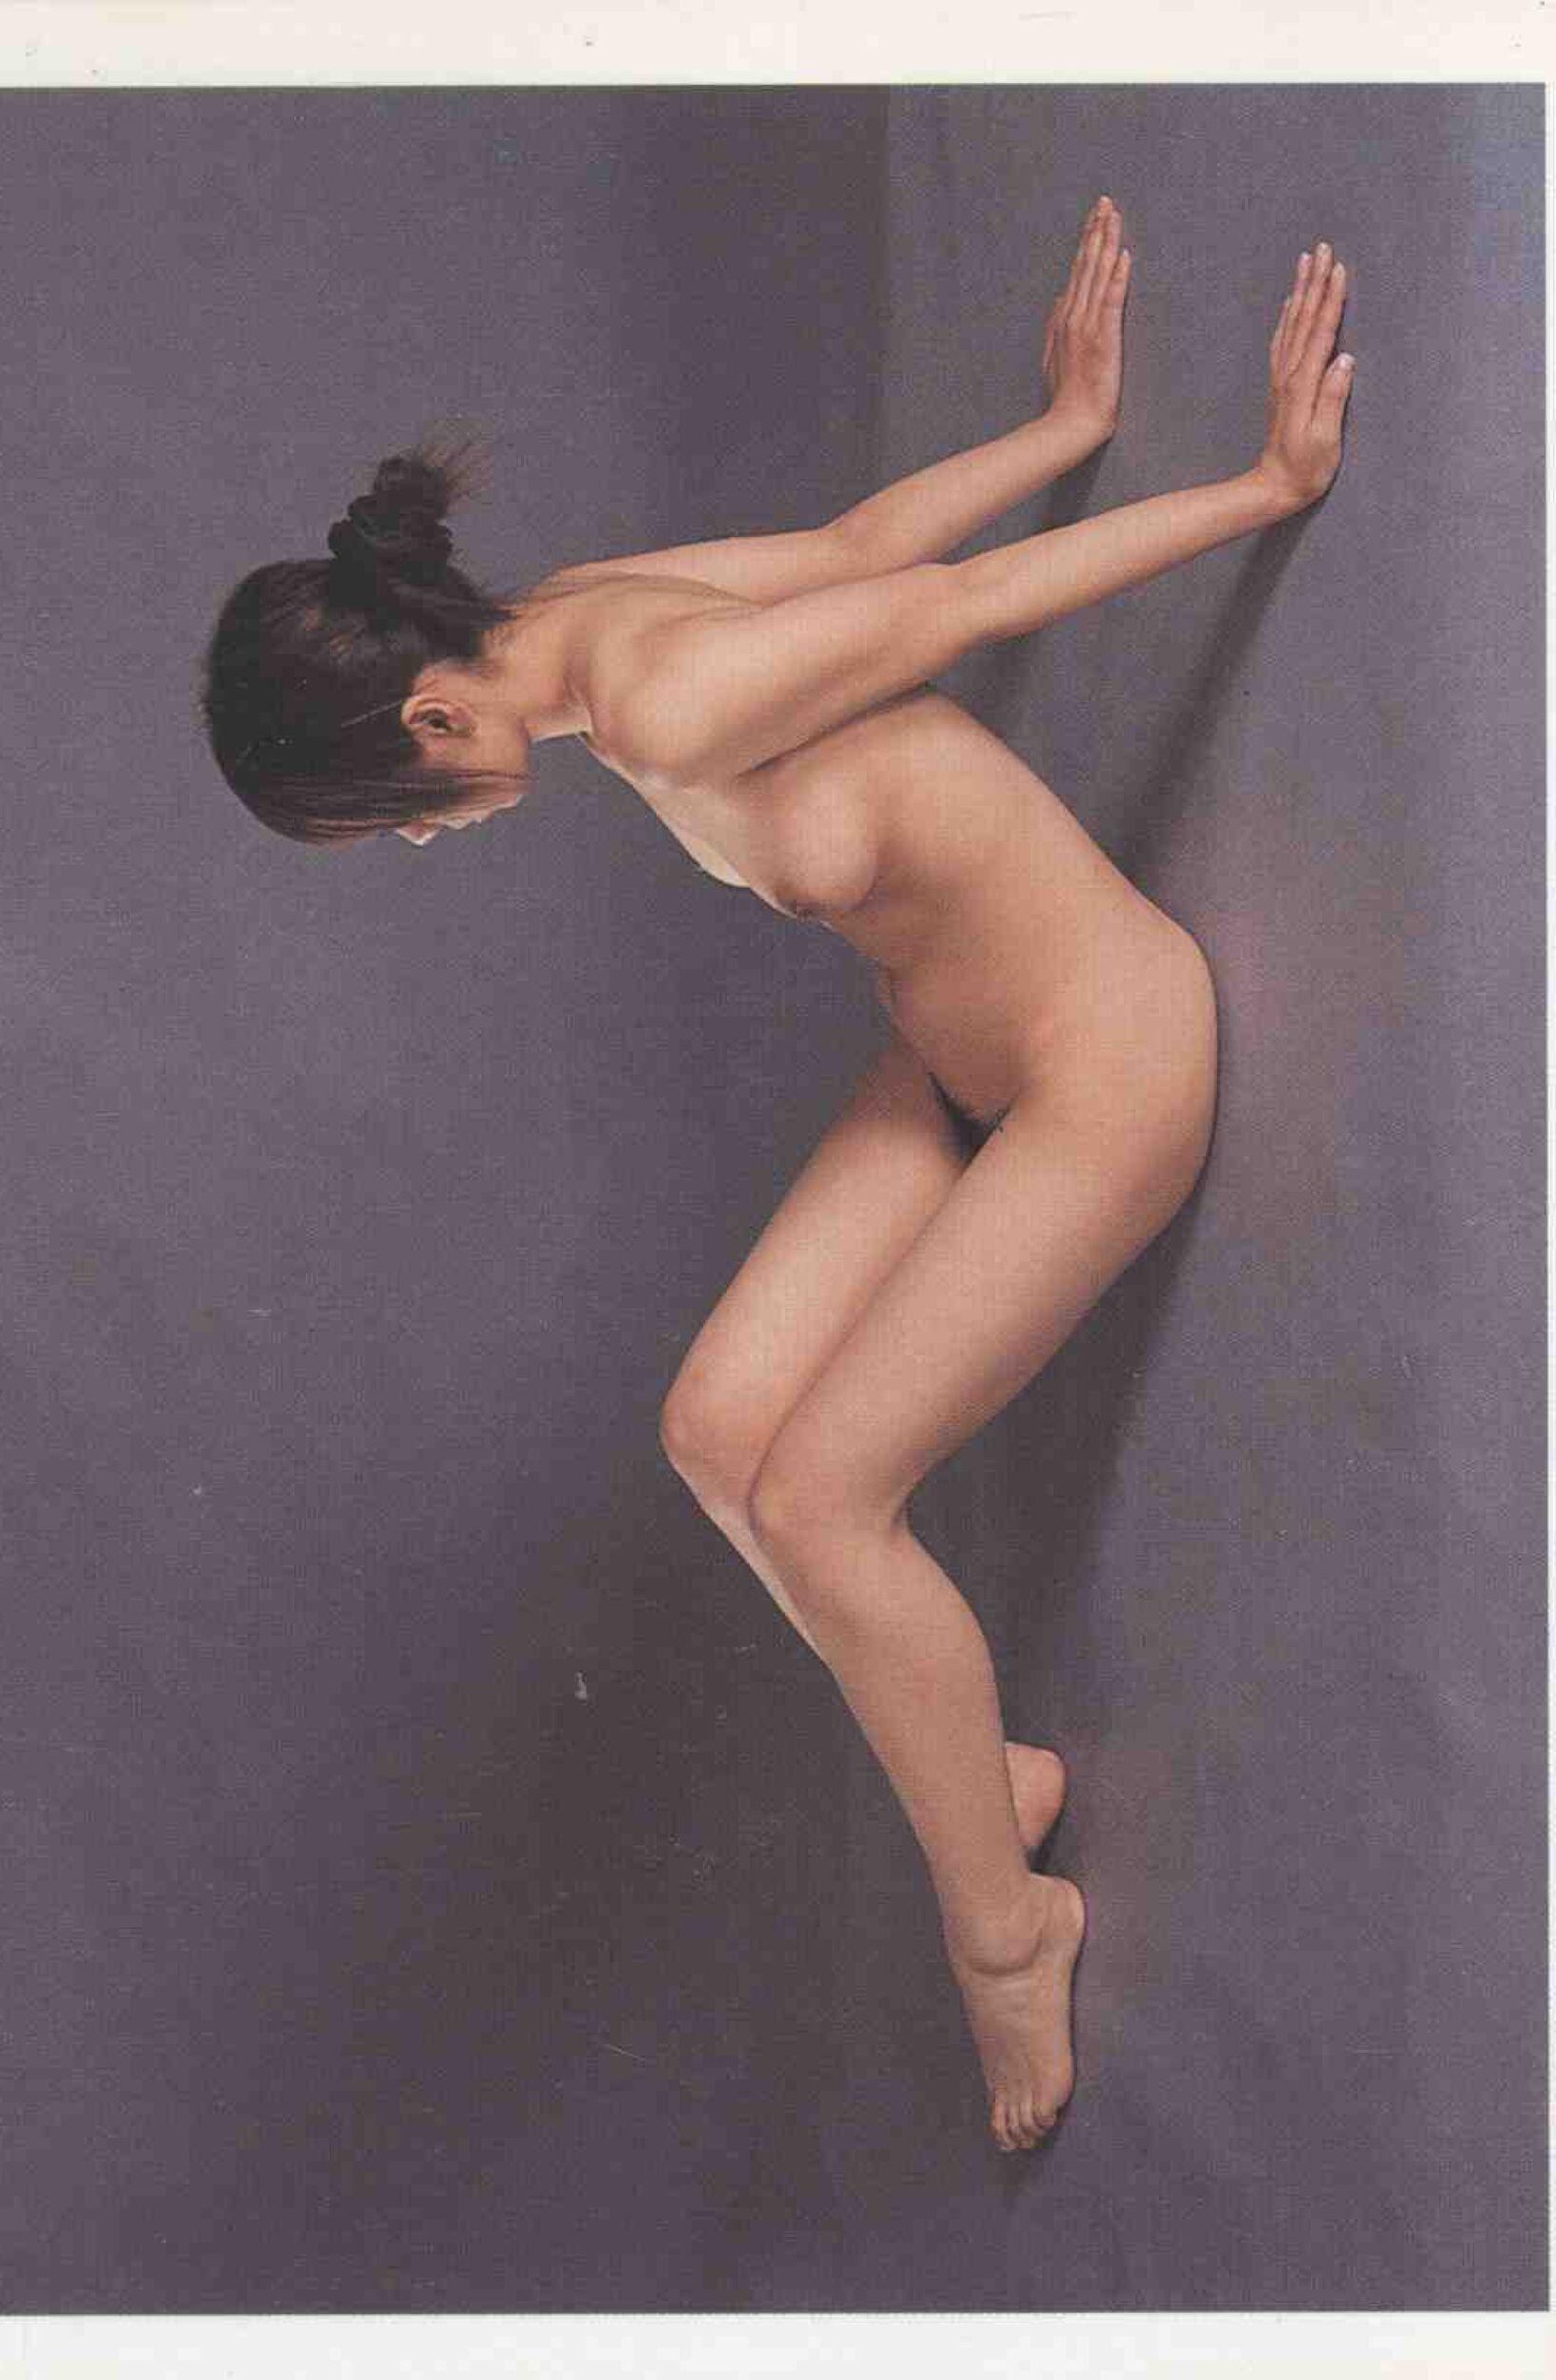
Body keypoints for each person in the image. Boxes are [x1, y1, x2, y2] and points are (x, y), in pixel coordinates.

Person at [203, 199, 1353, 2151]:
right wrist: (1059, 428)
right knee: (718, 1434)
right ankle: (982, 1772)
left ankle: (1005, 1928)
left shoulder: (655, 695)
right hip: (954, 1062)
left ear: (426, 718)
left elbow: (966, 609)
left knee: (825, 1502)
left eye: (392, 817)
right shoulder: (580, 627)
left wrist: (1259, 488)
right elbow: (854, 549)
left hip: (1103, 1059)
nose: (419, 843)